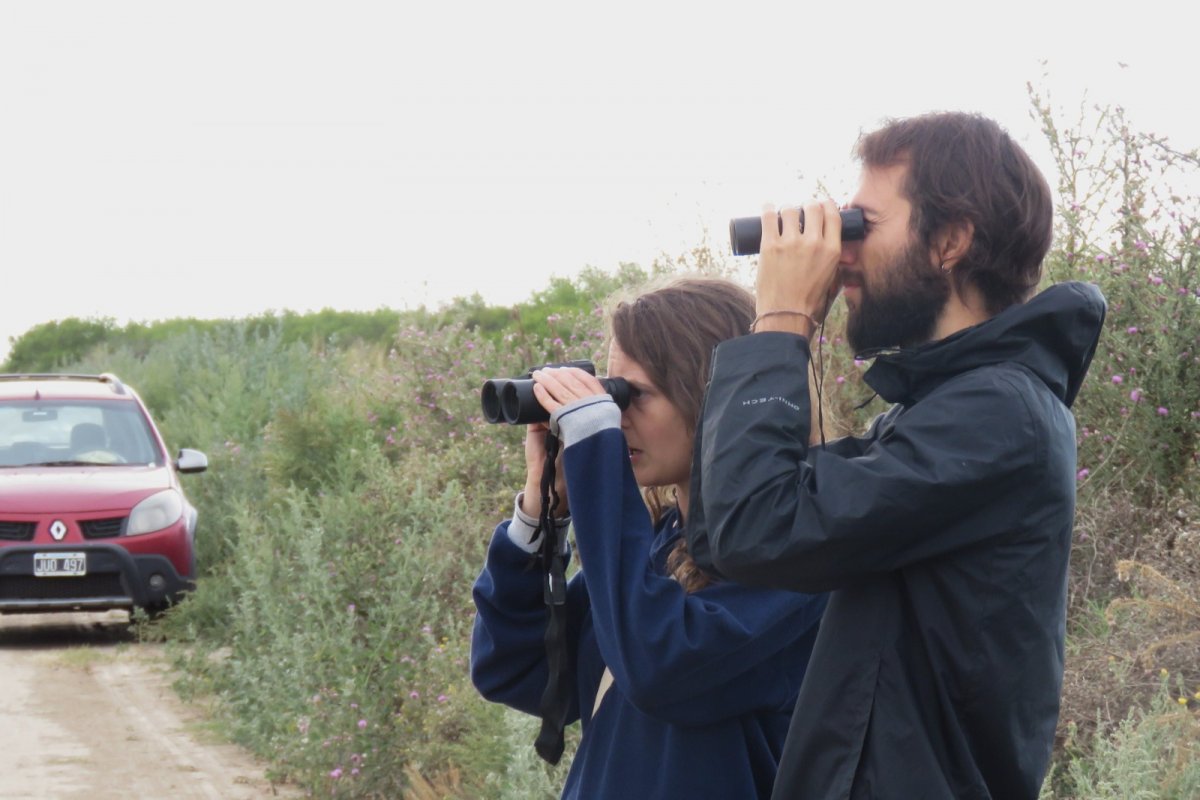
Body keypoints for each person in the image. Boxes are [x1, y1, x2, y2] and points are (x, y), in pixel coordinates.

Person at [686, 112, 1107, 799]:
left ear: (949, 241)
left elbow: (760, 529)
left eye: (860, 226)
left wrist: (781, 323)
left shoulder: (997, 416)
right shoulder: (939, 413)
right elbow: (723, 537)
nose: (841, 251)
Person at [470, 276, 828, 800]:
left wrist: (600, 465)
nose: (615, 416)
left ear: (714, 398)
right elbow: (514, 671)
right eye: (610, 395)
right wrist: (542, 514)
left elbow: (659, 669)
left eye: (632, 395)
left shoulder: (800, 557)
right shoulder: (662, 547)